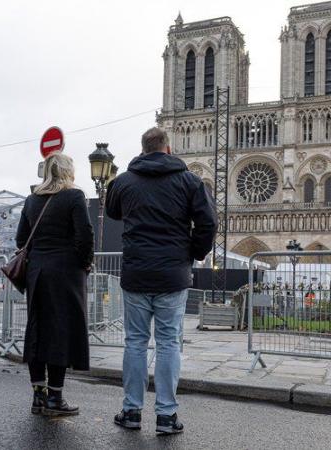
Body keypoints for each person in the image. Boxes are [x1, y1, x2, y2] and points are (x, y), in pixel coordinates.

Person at [106, 127, 217, 435]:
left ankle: (131, 411)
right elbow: (208, 222)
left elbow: (112, 210)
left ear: (143, 150)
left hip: (136, 273)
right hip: (173, 274)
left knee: (136, 342)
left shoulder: (125, 181)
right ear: (169, 149)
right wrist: (192, 252)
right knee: (169, 342)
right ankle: (166, 416)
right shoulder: (190, 182)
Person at [15, 152, 94, 417]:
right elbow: (84, 235)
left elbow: (20, 239)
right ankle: (55, 398)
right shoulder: (74, 197)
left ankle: (38, 396)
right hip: (66, 273)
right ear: (68, 171)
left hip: (37, 271)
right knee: (60, 332)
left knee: (37, 330)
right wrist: (85, 263)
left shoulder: (32, 200)